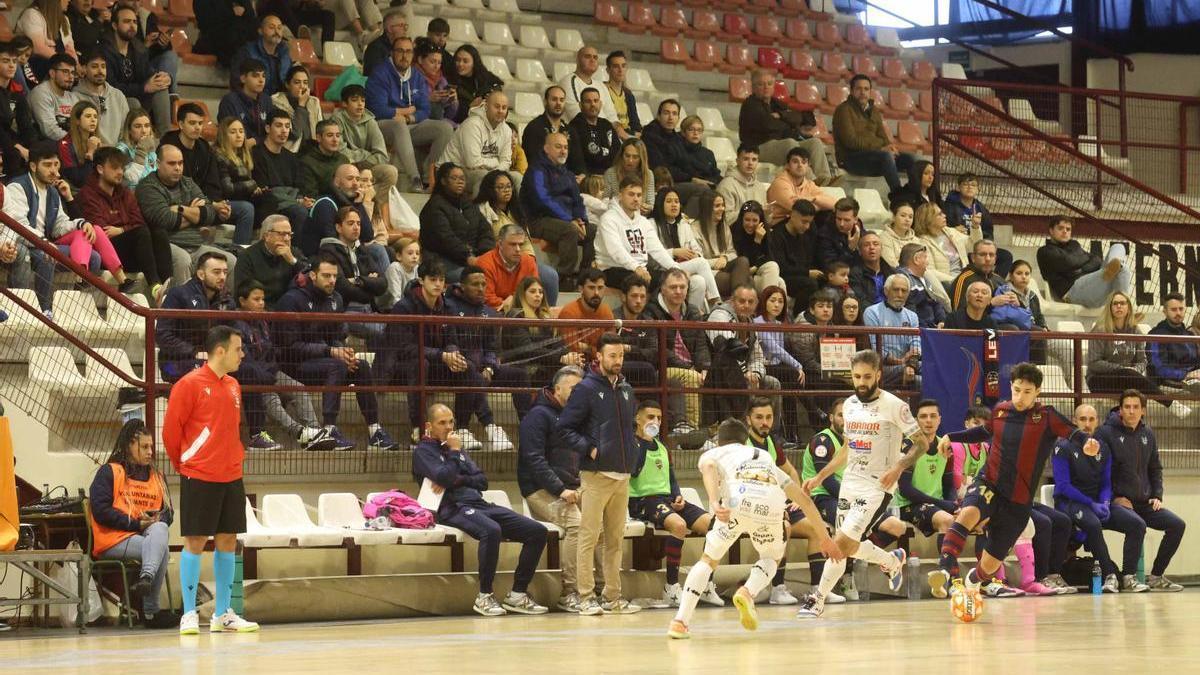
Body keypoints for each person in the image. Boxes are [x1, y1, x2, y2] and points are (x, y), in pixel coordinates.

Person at [929, 362, 1098, 599]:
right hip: (990, 483)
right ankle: (945, 571)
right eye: (1017, 389)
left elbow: (1073, 433)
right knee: (968, 513)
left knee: (988, 565)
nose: (1020, 397)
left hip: (1019, 501)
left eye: (1027, 392)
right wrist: (951, 436)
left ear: (1038, 392)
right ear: (1011, 386)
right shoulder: (1000, 411)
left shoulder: (1047, 416)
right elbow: (983, 432)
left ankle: (974, 581)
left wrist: (1088, 443)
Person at [668, 417, 838, 638]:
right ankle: (748, 591)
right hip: (770, 508)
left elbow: (709, 467)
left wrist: (713, 501)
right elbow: (804, 501)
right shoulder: (765, 457)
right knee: (771, 558)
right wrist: (825, 538)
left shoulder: (715, 453)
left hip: (736, 505)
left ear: (719, 440)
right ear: (745, 439)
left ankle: (680, 621)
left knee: (709, 560)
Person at [797, 349, 920, 618]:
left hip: (878, 486)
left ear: (878, 375)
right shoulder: (850, 405)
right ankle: (891, 560)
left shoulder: (895, 406)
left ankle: (817, 599)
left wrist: (898, 467)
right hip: (850, 483)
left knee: (840, 544)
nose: (861, 382)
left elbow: (923, 443)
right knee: (850, 547)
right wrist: (821, 476)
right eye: (856, 377)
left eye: (867, 376)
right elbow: (848, 448)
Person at [162, 325, 260, 634]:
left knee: (228, 540)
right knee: (194, 541)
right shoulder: (188, 385)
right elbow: (170, 432)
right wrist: (185, 462)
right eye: (238, 349)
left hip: (231, 474)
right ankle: (189, 613)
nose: (242, 354)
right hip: (199, 473)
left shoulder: (234, 386)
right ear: (220, 351)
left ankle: (223, 613)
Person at [414, 403, 548, 616]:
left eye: (451, 422)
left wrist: (456, 477)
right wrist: (455, 455)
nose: (448, 427)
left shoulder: (457, 448)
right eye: (442, 423)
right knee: (491, 530)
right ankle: (485, 595)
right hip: (451, 508)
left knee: (537, 532)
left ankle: (517, 594)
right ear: (429, 426)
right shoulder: (424, 452)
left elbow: (481, 480)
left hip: (479, 504)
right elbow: (445, 477)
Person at [274, 254, 397, 451]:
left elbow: (335, 335)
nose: (332, 281)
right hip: (292, 365)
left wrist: (341, 349)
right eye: (326, 276)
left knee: (360, 366)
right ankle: (330, 428)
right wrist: (331, 351)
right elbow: (289, 346)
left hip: (323, 360)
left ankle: (375, 431)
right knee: (337, 365)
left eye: (334, 276)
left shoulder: (336, 299)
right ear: (313, 275)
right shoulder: (291, 300)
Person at [558, 332, 642, 616]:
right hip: (595, 475)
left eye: (621, 356)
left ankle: (612, 596)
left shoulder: (627, 389)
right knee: (589, 536)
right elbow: (565, 428)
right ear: (599, 357)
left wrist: (633, 452)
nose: (618, 361)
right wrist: (590, 449)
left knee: (615, 539)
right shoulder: (586, 389)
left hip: (623, 475)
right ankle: (585, 597)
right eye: (612, 356)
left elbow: (630, 426)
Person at [627, 400, 722, 607]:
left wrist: (677, 495)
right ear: (638, 418)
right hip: (643, 500)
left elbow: (670, 478)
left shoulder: (662, 447)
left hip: (667, 499)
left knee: (715, 526)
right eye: (651, 417)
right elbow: (633, 471)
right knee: (679, 526)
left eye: (659, 418)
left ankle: (706, 585)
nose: (656, 421)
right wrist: (644, 440)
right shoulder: (631, 443)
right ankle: (671, 587)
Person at [2, 141, 113, 314]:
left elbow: (59, 225)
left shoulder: (53, 191)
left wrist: (81, 223)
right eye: (47, 165)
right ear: (32, 166)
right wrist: (44, 243)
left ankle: (72, 309)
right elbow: (18, 226)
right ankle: (45, 310)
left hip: (44, 245)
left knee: (94, 258)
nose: (53, 170)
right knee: (47, 256)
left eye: (56, 164)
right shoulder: (18, 187)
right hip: (24, 243)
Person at [88, 419, 178, 629]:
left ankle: (145, 578)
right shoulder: (109, 471)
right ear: (129, 445)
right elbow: (101, 511)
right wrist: (136, 524)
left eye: (151, 447)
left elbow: (169, 513)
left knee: (161, 528)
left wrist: (154, 520)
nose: (150, 452)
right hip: (113, 540)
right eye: (144, 447)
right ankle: (150, 613)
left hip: (145, 537)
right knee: (160, 548)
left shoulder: (157, 477)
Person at [1052, 403, 1149, 593]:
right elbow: (1063, 486)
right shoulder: (1062, 446)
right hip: (1070, 503)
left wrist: (1104, 502)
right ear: (1074, 421)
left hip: (1098, 503)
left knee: (1137, 524)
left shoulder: (1103, 447)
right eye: (1082, 419)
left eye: (1091, 419)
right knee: (1094, 524)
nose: (1087, 424)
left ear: (1097, 422)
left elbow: (1106, 482)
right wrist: (1091, 504)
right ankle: (1108, 576)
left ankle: (1129, 577)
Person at [1095, 389, 1186, 591]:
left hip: (1144, 502)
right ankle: (1128, 577)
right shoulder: (1105, 433)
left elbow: (1155, 468)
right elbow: (1099, 471)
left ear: (1143, 410)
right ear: (1119, 410)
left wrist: (1156, 495)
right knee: (1137, 525)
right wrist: (1113, 498)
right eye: (1126, 407)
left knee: (1177, 525)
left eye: (1136, 407)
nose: (1131, 411)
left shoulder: (1148, 433)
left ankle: (1156, 576)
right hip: (1118, 503)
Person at [229, 280, 335, 452]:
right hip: (254, 376)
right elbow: (245, 361)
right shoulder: (235, 324)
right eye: (256, 299)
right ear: (242, 301)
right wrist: (266, 376)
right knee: (272, 398)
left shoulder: (264, 321)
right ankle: (301, 433)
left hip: (271, 371)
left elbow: (271, 351)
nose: (261, 303)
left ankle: (316, 432)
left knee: (298, 389)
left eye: (263, 299)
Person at [517, 365, 590, 612]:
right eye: (573, 388)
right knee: (576, 524)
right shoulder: (538, 416)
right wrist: (561, 490)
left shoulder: (575, 417)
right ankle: (570, 593)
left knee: (597, 522)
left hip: (571, 487)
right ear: (557, 389)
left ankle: (598, 589)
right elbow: (535, 460)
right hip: (539, 490)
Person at [79, 146, 173, 304]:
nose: (120, 172)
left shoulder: (125, 193)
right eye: (115, 168)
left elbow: (138, 221)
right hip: (105, 253)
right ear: (100, 169)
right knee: (141, 233)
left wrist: (121, 229)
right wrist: (127, 229)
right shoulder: (87, 195)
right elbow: (102, 231)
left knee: (159, 233)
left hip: (131, 248)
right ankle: (155, 287)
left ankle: (168, 291)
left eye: (122, 168)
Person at [442, 265, 527, 435]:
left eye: (483, 284)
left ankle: (528, 426)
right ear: (462, 286)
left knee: (519, 375)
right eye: (475, 284)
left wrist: (489, 366)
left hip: (483, 369)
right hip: (455, 368)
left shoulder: (489, 312)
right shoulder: (448, 307)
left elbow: (492, 347)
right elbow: (449, 342)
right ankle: (464, 428)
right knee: (470, 371)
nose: (481, 289)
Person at [366, 36, 454, 191]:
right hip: (383, 126)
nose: (404, 55)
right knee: (398, 125)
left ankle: (430, 178)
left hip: (408, 124)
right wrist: (406, 110)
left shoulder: (416, 76)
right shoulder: (380, 73)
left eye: (408, 52)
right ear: (392, 53)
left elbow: (424, 109)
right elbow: (377, 109)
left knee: (445, 128)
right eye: (400, 51)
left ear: (413, 55)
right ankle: (415, 178)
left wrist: (410, 117)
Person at [1087, 291, 1191, 418]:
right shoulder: (1100, 330)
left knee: (1136, 389)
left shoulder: (1135, 330)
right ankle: (1169, 403)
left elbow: (1143, 360)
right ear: (1110, 307)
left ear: (1128, 307)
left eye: (1122, 303)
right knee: (1132, 378)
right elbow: (1093, 363)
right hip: (1100, 380)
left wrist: (1135, 370)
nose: (1119, 306)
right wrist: (1122, 369)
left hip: (1127, 379)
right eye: (1115, 304)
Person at [135, 144, 238, 274]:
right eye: (172, 163)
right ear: (158, 163)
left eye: (180, 163)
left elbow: (210, 213)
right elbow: (165, 220)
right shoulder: (148, 187)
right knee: (183, 260)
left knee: (231, 261)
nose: (178, 168)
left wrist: (181, 208)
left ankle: (223, 296)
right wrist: (195, 213)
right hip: (168, 246)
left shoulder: (187, 182)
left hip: (196, 246)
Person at [162, 104, 254, 240]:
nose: (197, 127)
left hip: (206, 202)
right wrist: (208, 204)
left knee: (244, 209)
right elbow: (174, 183)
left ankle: (240, 252)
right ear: (181, 124)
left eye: (200, 123)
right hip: (179, 203)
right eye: (192, 123)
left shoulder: (203, 147)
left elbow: (212, 182)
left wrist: (217, 203)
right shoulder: (169, 147)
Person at [640, 268, 711, 436]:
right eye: (673, 287)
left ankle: (713, 430)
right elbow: (657, 349)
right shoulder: (650, 311)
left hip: (691, 366)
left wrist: (705, 367)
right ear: (662, 289)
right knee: (692, 378)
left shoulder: (692, 311)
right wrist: (689, 367)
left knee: (713, 376)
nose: (678, 291)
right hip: (663, 367)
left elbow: (701, 345)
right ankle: (691, 433)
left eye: (682, 287)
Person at [474, 169, 558, 304]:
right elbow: (484, 240)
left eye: (508, 186)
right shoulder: (483, 210)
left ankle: (545, 314)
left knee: (550, 275)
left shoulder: (517, 209)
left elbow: (526, 241)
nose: (506, 190)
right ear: (490, 189)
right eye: (500, 187)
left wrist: (528, 259)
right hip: (499, 258)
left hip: (524, 259)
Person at [520, 131, 592, 287]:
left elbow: (578, 200)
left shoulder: (567, 172)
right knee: (570, 230)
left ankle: (586, 277)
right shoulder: (536, 170)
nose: (563, 151)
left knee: (593, 230)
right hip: (538, 220)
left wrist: (581, 220)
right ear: (546, 148)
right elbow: (542, 199)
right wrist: (569, 220)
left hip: (565, 220)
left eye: (565, 147)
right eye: (558, 146)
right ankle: (564, 278)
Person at [739, 69, 831, 182]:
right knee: (790, 143)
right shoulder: (750, 105)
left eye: (769, 83)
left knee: (815, 143)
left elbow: (803, 118)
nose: (766, 87)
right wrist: (788, 121)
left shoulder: (776, 103)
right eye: (760, 84)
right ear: (753, 87)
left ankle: (825, 178)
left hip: (779, 144)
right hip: (757, 147)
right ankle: (811, 180)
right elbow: (769, 125)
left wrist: (781, 115)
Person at [156, 252, 234, 381]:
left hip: (212, 360)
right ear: (201, 274)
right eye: (216, 272)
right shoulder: (178, 295)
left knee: (243, 368)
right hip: (173, 364)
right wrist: (194, 352)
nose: (222, 277)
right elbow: (163, 335)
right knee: (209, 370)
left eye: (225, 272)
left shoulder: (227, 301)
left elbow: (231, 334)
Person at [831, 74, 913, 192]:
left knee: (912, 159)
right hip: (850, 159)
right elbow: (851, 141)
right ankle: (898, 198)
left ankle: (916, 197)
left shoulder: (874, 110)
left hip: (874, 157)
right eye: (859, 89)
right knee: (885, 156)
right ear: (852, 91)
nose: (863, 92)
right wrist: (881, 147)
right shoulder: (843, 110)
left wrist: (889, 147)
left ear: (870, 91)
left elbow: (883, 136)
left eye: (866, 89)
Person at [705, 285, 774, 424]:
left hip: (741, 374)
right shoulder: (719, 314)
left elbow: (758, 357)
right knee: (739, 380)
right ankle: (740, 427)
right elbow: (729, 347)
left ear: (756, 304)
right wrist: (744, 372)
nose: (746, 305)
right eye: (741, 301)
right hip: (717, 373)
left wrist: (755, 373)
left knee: (773, 383)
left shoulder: (751, 324)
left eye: (751, 302)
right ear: (732, 301)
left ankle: (772, 432)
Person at [501, 276, 582, 387]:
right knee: (565, 374)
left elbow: (558, 343)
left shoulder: (545, 317)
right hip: (521, 367)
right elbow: (527, 350)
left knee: (579, 369)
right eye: (532, 291)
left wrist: (568, 355)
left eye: (540, 292)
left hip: (543, 365)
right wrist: (560, 357)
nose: (538, 295)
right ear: (522, 294)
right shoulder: (515, 316)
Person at [419, 162, 494, 281]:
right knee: (476, 278)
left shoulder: (468, 204)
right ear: (443, 181)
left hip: (473, 257)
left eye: (462, 178)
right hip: (443, 261)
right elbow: (445, 239)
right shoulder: (434, 206)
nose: (460, 181)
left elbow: (485, 230)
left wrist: (484, 253)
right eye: (454, 178)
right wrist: (467, 256)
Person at [894, 399, 957, 541]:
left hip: (934, 505)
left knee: (974, 518)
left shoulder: (945, 446)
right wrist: (943, 504)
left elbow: (948, 484)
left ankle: (986, 563)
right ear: (916, 421)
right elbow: (905, 489)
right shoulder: (909, 446)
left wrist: (953, 504)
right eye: (923, 416)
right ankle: (947, 564)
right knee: (947, 521)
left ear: (939, 419)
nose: (928, 420)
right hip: (909, 505)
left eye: (933, 416)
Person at [1036, 215, 1132, 308]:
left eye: (1068, 229)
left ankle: (1111, 272)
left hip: (1092, 286)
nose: (1065, 231)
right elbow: (1070, 262)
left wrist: (1080, 269)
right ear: (1051, 231)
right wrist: (1085, 264)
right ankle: (1125, 312)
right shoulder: (1045, 251)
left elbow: (1097, 260)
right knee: (1122, 269)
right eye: (1060, 228)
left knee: (1118, 248)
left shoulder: (1074, 245)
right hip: (1072, 292)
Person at [104, 4, 171, 135]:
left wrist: (163, 78)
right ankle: (137, 142)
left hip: (137, 96)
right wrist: (143, 88)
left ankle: (165, 139)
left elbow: (148, 73)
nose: (132, 25)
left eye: (134, 22)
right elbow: (110, 87)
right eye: (126, 21)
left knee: (160, 88)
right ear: (114, 25)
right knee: (133, 103)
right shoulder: (105, 50)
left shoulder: (139, 48)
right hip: (112, 102)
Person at [649, 187, 721, 309]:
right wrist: (674, 252)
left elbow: (698, 250)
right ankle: (716, 302)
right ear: (661, 203)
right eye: (669, 201)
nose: (674, 205)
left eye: (676, 201)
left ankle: (691, 317)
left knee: (699, 281)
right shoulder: (651, 224)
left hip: (684, 267)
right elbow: (651, 257)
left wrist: (694, 255)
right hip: (662, 269)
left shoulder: (683, 224)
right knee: (702, 263)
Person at [594, 178, 672, 289]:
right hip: (611, 269)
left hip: (639, 269)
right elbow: (616, 250)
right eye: (631, 194)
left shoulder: (643, 222)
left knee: (672, 280)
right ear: (620, 195)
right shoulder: (608, 219)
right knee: (640, 282)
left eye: (639, 195)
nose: (636, 199)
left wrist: (676, 270)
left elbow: (658, 250)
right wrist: (636, 268)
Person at [318, 205, 389, 323]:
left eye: (358, 224)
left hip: (369, 309)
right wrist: (369, 287)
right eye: (351, 223)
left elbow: (383, 283)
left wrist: (357, 281)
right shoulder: (329, 250)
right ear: (339, 227)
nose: (356, 227)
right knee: (384, 333)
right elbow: (341, 286)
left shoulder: (361, 249)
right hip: (345, 310)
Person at [438, 90, 514, 196]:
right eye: (496, 106)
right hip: (454, 171)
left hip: (487, 171)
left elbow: (506, 162)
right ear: (486, 107)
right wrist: (496, 162)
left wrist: (496, 173)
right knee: (482, 176)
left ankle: (513, 212)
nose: (500, 111)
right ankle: (478, 212)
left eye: (504, 108)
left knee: (517, 178)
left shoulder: (507, 130)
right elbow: (472, 162)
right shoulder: (472, 124)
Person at [753, 285, 805, 436]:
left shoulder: (778, 324)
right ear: (764, 302)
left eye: (781, 301)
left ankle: (792, 434)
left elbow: (779, 353)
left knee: (792, 383)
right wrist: (797, 365)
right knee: (793, 375)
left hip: (777, 366)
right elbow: (774, 349)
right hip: (763, 366)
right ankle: (813, 411)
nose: (777, 305)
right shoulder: (758, 322)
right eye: (773, 300)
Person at [642, 99, 712, 210]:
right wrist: (691, 179)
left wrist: (700, 177)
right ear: (658, 116)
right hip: (660, 183)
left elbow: (685, 163)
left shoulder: (676, 138)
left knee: (712, 189)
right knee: (702, 190)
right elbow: (662, 168)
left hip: (678, 180)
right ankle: (685, 223)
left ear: (678, 118)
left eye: (674, 114)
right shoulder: (650, 135)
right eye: (666, 113)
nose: (670, 117)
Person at [252, 108, 313, 232]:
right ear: (268, 128)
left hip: (291, 203)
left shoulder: (291, 157)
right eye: (279, 126)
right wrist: (297, 201)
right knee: (299, 212)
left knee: (318, 208)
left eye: (287, 126)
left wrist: (302, 199)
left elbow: (299, 186)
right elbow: (265, 189)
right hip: (268, 205)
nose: (284, 131)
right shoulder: (256, 154)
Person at [943, 172, 1011, 276]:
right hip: (959, 246)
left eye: (973, 185)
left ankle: (993, 282)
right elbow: (942, 226)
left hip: (978, 246)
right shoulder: (949, 206)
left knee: (1006, 256)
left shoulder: (981, 208)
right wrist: (953, 229)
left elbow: (988, 231)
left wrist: (986, 244)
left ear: (978, 189)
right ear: (959, 187)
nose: (969, 187)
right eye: (966, 184)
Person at [233, 214, 305, 310]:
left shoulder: (293, 253)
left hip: (290, 309)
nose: (287, 239)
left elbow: (310, 277)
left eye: (289, 234)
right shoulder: (247, 257)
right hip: (261, 311)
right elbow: (243, 293)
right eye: (282, 234)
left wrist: (293, 261)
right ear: (266, 236)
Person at [213, 117, 264, 246]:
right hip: (223, 201)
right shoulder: (219, 156)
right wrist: (252, 185)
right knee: (246, 208)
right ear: (224, 135)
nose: (239, 135)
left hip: (241, 198)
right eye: (233, 132)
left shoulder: (243, 155)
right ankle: (240, 249)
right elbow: (228, 189)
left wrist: (256, 190)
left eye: (241, 131)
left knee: (269, 201)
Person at [863, 274, 921, 388]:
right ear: (886, 291)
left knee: (933, 368)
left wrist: (911, 364)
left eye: (904, 291)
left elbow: (916, 343)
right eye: (896, 290)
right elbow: (877, 348)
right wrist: (901, 361)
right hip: (882, 367)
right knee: (922, 381)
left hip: (908, 364)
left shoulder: (912, 316)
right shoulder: (872, 312)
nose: (900, 294)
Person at [767, 199, 819, 312]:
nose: (807, 226)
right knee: (811, 284)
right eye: (804, 221)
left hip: (800, 276)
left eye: (809, 222)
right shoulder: (777, 235)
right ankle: (798, 318)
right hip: (784, 277)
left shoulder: (805, 236)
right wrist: (807, 273)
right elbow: (781, 267)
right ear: (792, 216)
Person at [693, 192, 749, 297]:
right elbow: (697, 260)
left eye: (723, 205)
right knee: (748, 281)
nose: (722, 209)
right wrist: (717, 261)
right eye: (717, 206)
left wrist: (725, 257)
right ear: (707, 208)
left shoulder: (723, 226)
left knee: (743, 260)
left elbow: (732, 252)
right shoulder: (695, 228)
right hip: (707, 271)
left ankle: (737, 306)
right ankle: (738, 308)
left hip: (724, 265)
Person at [72, 48, 129, 149]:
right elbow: (76, 133)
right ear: (84, 68)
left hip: (116, 154)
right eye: (94, 66)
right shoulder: (74, 96)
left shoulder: (118, 95)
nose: (100, 71)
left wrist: (118, 151)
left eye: (103, 66)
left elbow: (126, 132)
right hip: (89, 152)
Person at [476, 222, 540, 312]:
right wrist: (512, 304)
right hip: (493, 313)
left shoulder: (529, 261)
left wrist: (514, 301)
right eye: (513, 244)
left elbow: (534, 293)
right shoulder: (485, 263)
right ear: (500, 244)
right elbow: (486, 298)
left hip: (522, 312)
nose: (518, 249)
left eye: (520, 245)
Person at [765, 147, 835, 225]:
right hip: (780, 225)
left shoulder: (809, 184)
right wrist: (820, 206)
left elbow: (835, 204)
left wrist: (812, 199)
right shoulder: (780, 182)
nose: (800, 165)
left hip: (800, 224)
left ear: (808, 166)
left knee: (829, 214)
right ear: (787, 165)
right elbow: (798, 209)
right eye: (795, 162)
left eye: (804, 162)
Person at [556, 267, 614, 360]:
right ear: (581, 289)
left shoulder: (606, 311)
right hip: (576, 364)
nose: (596, 293)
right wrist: (597, 351)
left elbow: (611, 350)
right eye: (591, 288)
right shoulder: (569, 313)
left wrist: (587, 348)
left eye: (600, 288)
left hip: (601, 364)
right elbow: (573, 350)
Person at [914, 202, 975, 287]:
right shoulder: (922, 242)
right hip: (946, 284)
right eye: (939, 214)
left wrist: (975, 227)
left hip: (965, 278)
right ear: (929, 219)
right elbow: (929, 271)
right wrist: (956, 281)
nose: (944, 215)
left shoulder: (951, 232)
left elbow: (974, 246)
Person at [0, 40, 37, 177]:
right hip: (5, 144)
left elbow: (26, 124)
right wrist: (17, 146)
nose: (11, 65)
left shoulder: (17, 91)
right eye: (5, 61)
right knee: (14, 155)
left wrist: (34, 150)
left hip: (10, 140)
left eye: (14, 61)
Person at [1148, 293, 1200, 391]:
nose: (1178, 313)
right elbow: (1158, 368)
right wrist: (1185, 374)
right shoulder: (1155, 335)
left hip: (1192, 379)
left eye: (1181, 309)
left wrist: (1195, 374)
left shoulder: (1189, 334)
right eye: (1174, 309)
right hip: (1168, 382)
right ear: (1165, 311)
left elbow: (1197, 362)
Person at [229, 14, 291, 95]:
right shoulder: (247, 52)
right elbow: (236, 81)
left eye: (279, 28)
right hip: (254, 101)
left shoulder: (285, 53)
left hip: (280, 102)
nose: (276, 31)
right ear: (260, 31)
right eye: (271, 28)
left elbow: (289, 82)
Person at [730, 200, 784, 293]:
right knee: (779, 283)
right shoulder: (734, 231)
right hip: (740, 274)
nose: (750, 224)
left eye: (755, 220)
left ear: (760, 221)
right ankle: (767, 305)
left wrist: (758, 239)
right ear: (741, 218)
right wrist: (756, 241)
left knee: (776, 273)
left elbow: (770, 257)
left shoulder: (764, 230)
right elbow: (744, 259)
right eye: (747, 220)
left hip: (756, 270)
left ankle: (768, 305)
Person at [218, 60, 275, 147]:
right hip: (237, 150)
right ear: (243, 78)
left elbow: (272, 131)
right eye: (255, 76)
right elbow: (227, 133)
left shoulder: (266, 100)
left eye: (263, 76)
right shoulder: (229, 101)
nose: (261, 80)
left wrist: (256, 141)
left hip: (263, 149)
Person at [17, 0, 77, 82]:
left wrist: (76, 64)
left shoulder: (64, 19)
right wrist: (65, 62)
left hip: (60, 66)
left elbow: (70, 49)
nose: (69, 0)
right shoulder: (32, 14)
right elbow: (38, 48)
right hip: (35, 67)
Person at [567, 87, 619, 180]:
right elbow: (587, 158)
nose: (593, 104)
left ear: (600, 103)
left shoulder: (606, 125)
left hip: (610, 176)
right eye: (588, 101)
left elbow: (617, 153)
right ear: (580, 105)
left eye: (596, 101)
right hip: (588, 178)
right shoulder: (574, 127)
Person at [445, 44, 502, 125]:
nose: (460, 64)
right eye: (457, 60)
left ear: (474, 63)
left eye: (465, 61)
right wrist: (470, 107)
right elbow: (450, 114)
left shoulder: (485, 77)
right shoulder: (449, 81)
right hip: (461, 123)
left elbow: (498, 86)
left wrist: (492, 96)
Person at [271, 65, 322, 153]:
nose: (302, 86)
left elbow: (321, 130)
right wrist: (301, 105)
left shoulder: (313, 102)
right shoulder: (277, 102)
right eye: (297, 82)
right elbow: (294, 134)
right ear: (287, 84)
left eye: (305, 82)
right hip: (289, 153)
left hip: (313, 153)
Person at [28, 52, 78, 142]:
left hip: (66, 143)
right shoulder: (41, 93)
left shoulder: (72, 97)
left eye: (73, 72)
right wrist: (76, 142)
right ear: (52, 73)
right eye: (65, 72)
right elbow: (49, 130)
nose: (71, 77)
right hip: (44, 145)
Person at [560, 46, 616, 123]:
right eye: (587, 56)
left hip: (604, 130)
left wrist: (617, 128)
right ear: (578, 60)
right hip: (581, 132)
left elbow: (612, 115)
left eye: (595, 57)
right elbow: (577, 115)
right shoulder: (568, 81)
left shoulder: (601, 85)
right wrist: (606, 128)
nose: (592, 60)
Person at [193, 0, 258, 67]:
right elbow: (207, 24)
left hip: (241, 40)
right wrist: (232, 13)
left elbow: (251, 18)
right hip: (216, 41)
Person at [950, 239, 1008, 312]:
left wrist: (1018, 303)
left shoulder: (999, 279)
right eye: (982, 254)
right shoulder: (964, 279)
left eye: (991, 255)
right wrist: (990, 303)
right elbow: (958, 314)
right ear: (973, 258)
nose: (988, 258)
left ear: (995, 259)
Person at [716, 144, 767, 226]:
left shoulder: (760, 187)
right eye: (746, 159)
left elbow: (764, 220)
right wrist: (750, 212)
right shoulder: (726, 185)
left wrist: (767, 214)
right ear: (737, 160)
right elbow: (725, 218)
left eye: (754, 159)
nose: (750, 163)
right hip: (733, 234)